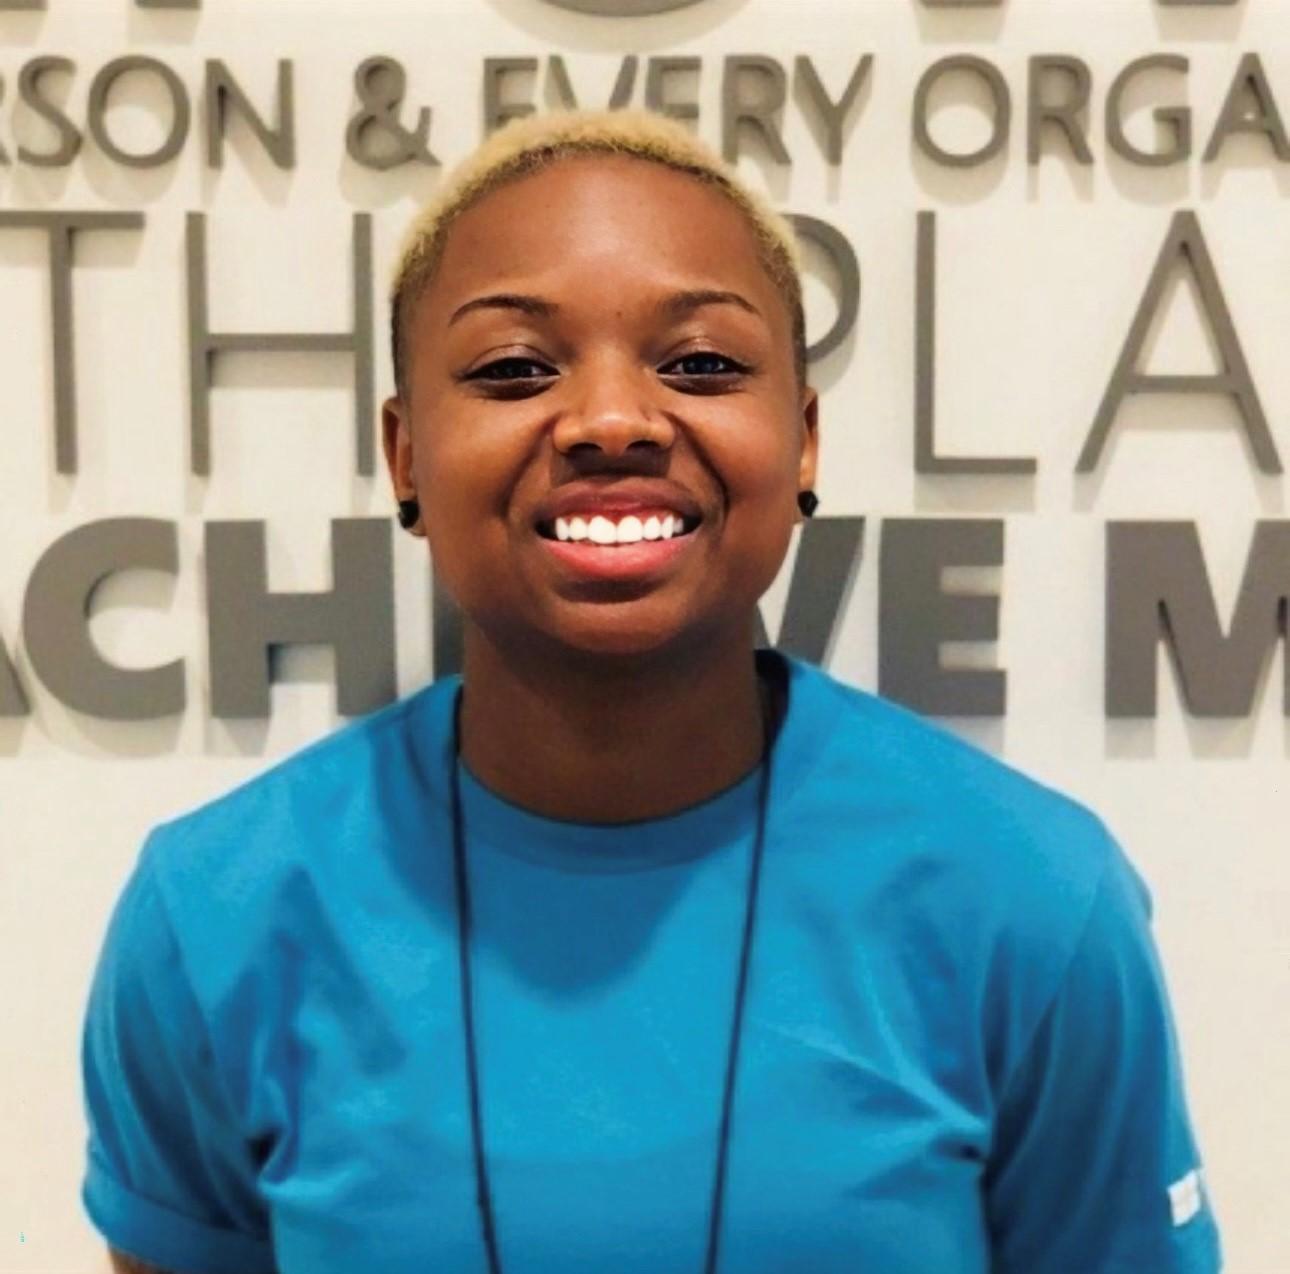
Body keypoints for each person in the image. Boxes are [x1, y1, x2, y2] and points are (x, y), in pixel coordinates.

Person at [80, 108, 1222, 1274]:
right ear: (407, 451)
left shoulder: (1030, 898)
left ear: (805, 438)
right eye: (516, 368)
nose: (614, 420)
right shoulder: (217, 914)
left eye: (703, 365)